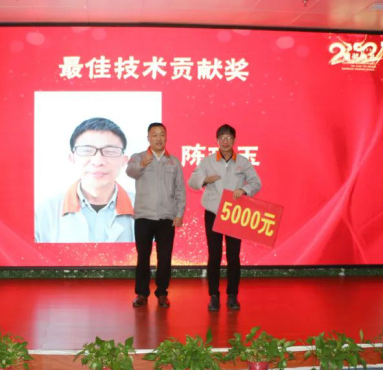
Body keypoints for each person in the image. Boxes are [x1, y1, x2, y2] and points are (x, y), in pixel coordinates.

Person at [188, 124, 261, 311]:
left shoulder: (243, 162)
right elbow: (192, 182)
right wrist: (205, 180)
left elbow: (256, 182)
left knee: (233, 256)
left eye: (229, 137)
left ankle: (232, 295)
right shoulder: (208, 161)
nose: (225, 141)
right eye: (222, 138)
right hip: (213, 212)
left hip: (233, 214)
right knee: (214, 255)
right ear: (217, 141)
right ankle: (213, 295)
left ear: (234, 140)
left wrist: (244, 189)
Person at [35, 117, 134, 243]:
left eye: (110, 151)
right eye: (87, 151)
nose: (98, 161)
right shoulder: (43, 213)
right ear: (72, 159)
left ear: (124, 161)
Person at [126, 122, 186, 308]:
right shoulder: (138, 157)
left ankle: (162, 293)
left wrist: (179, 213)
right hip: (144, 216)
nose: (159, 138)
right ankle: (142, 293)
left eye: (162, 135)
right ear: (148, 138)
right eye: (154, 135)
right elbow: (130, 172)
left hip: (166, 217)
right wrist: (142, 165)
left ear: (166, 137)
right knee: (143, 256)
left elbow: (180, 189)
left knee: (165, 257)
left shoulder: (173, 161)